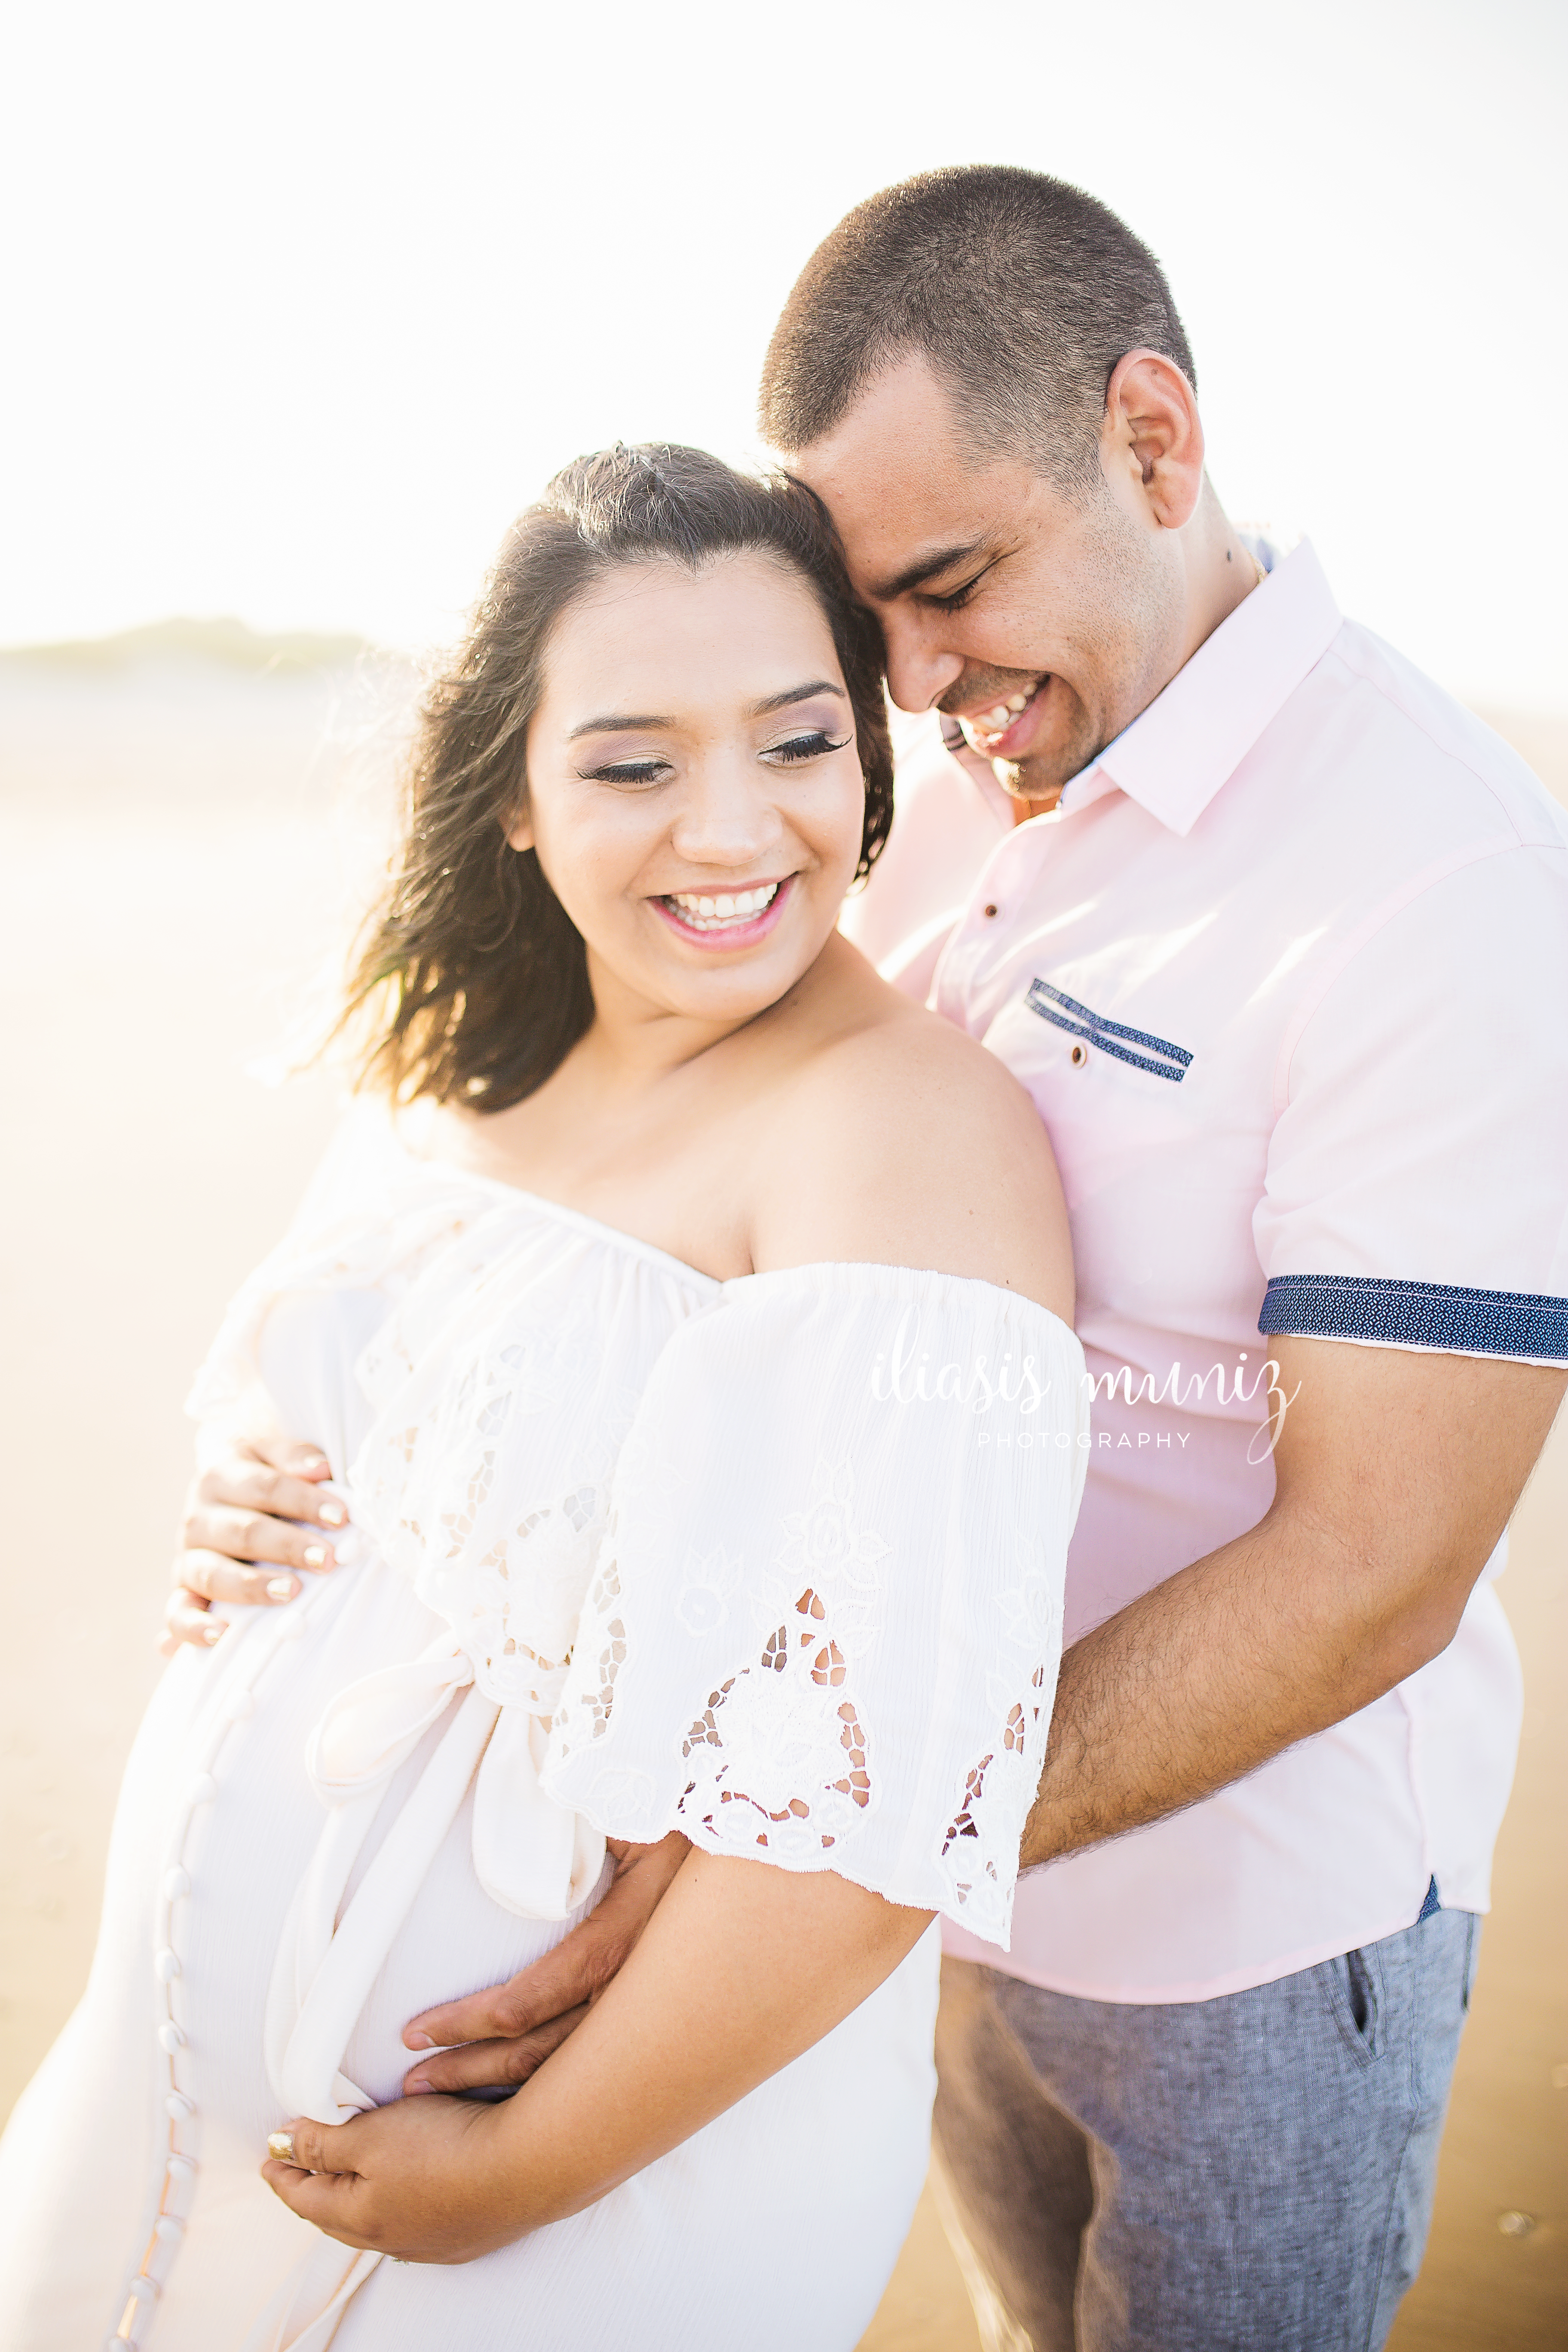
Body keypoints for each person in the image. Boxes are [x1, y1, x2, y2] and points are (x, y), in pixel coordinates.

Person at [170, 167, 1568, 2349]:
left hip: (1248, 1947)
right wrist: (319, 1457)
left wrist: (822, 1842)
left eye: (953, 583)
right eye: (873, 622)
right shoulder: (929, 789)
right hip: (897, 1928)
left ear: (1155, 439)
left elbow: (1378, 1560)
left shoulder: (1444, 878)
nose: (910, 684)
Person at [0, 444, 1089, 2350]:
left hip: (597, 2186)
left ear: (873, 755)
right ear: (511, 791)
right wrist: (246, 1498)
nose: (733, 830)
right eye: (632, 762)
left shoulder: (904, 1139)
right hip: (159, 2098)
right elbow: (387, 1413)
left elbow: (876, 1794)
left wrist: (531, 2171)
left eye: (796, 742)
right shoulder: (467, 1049)